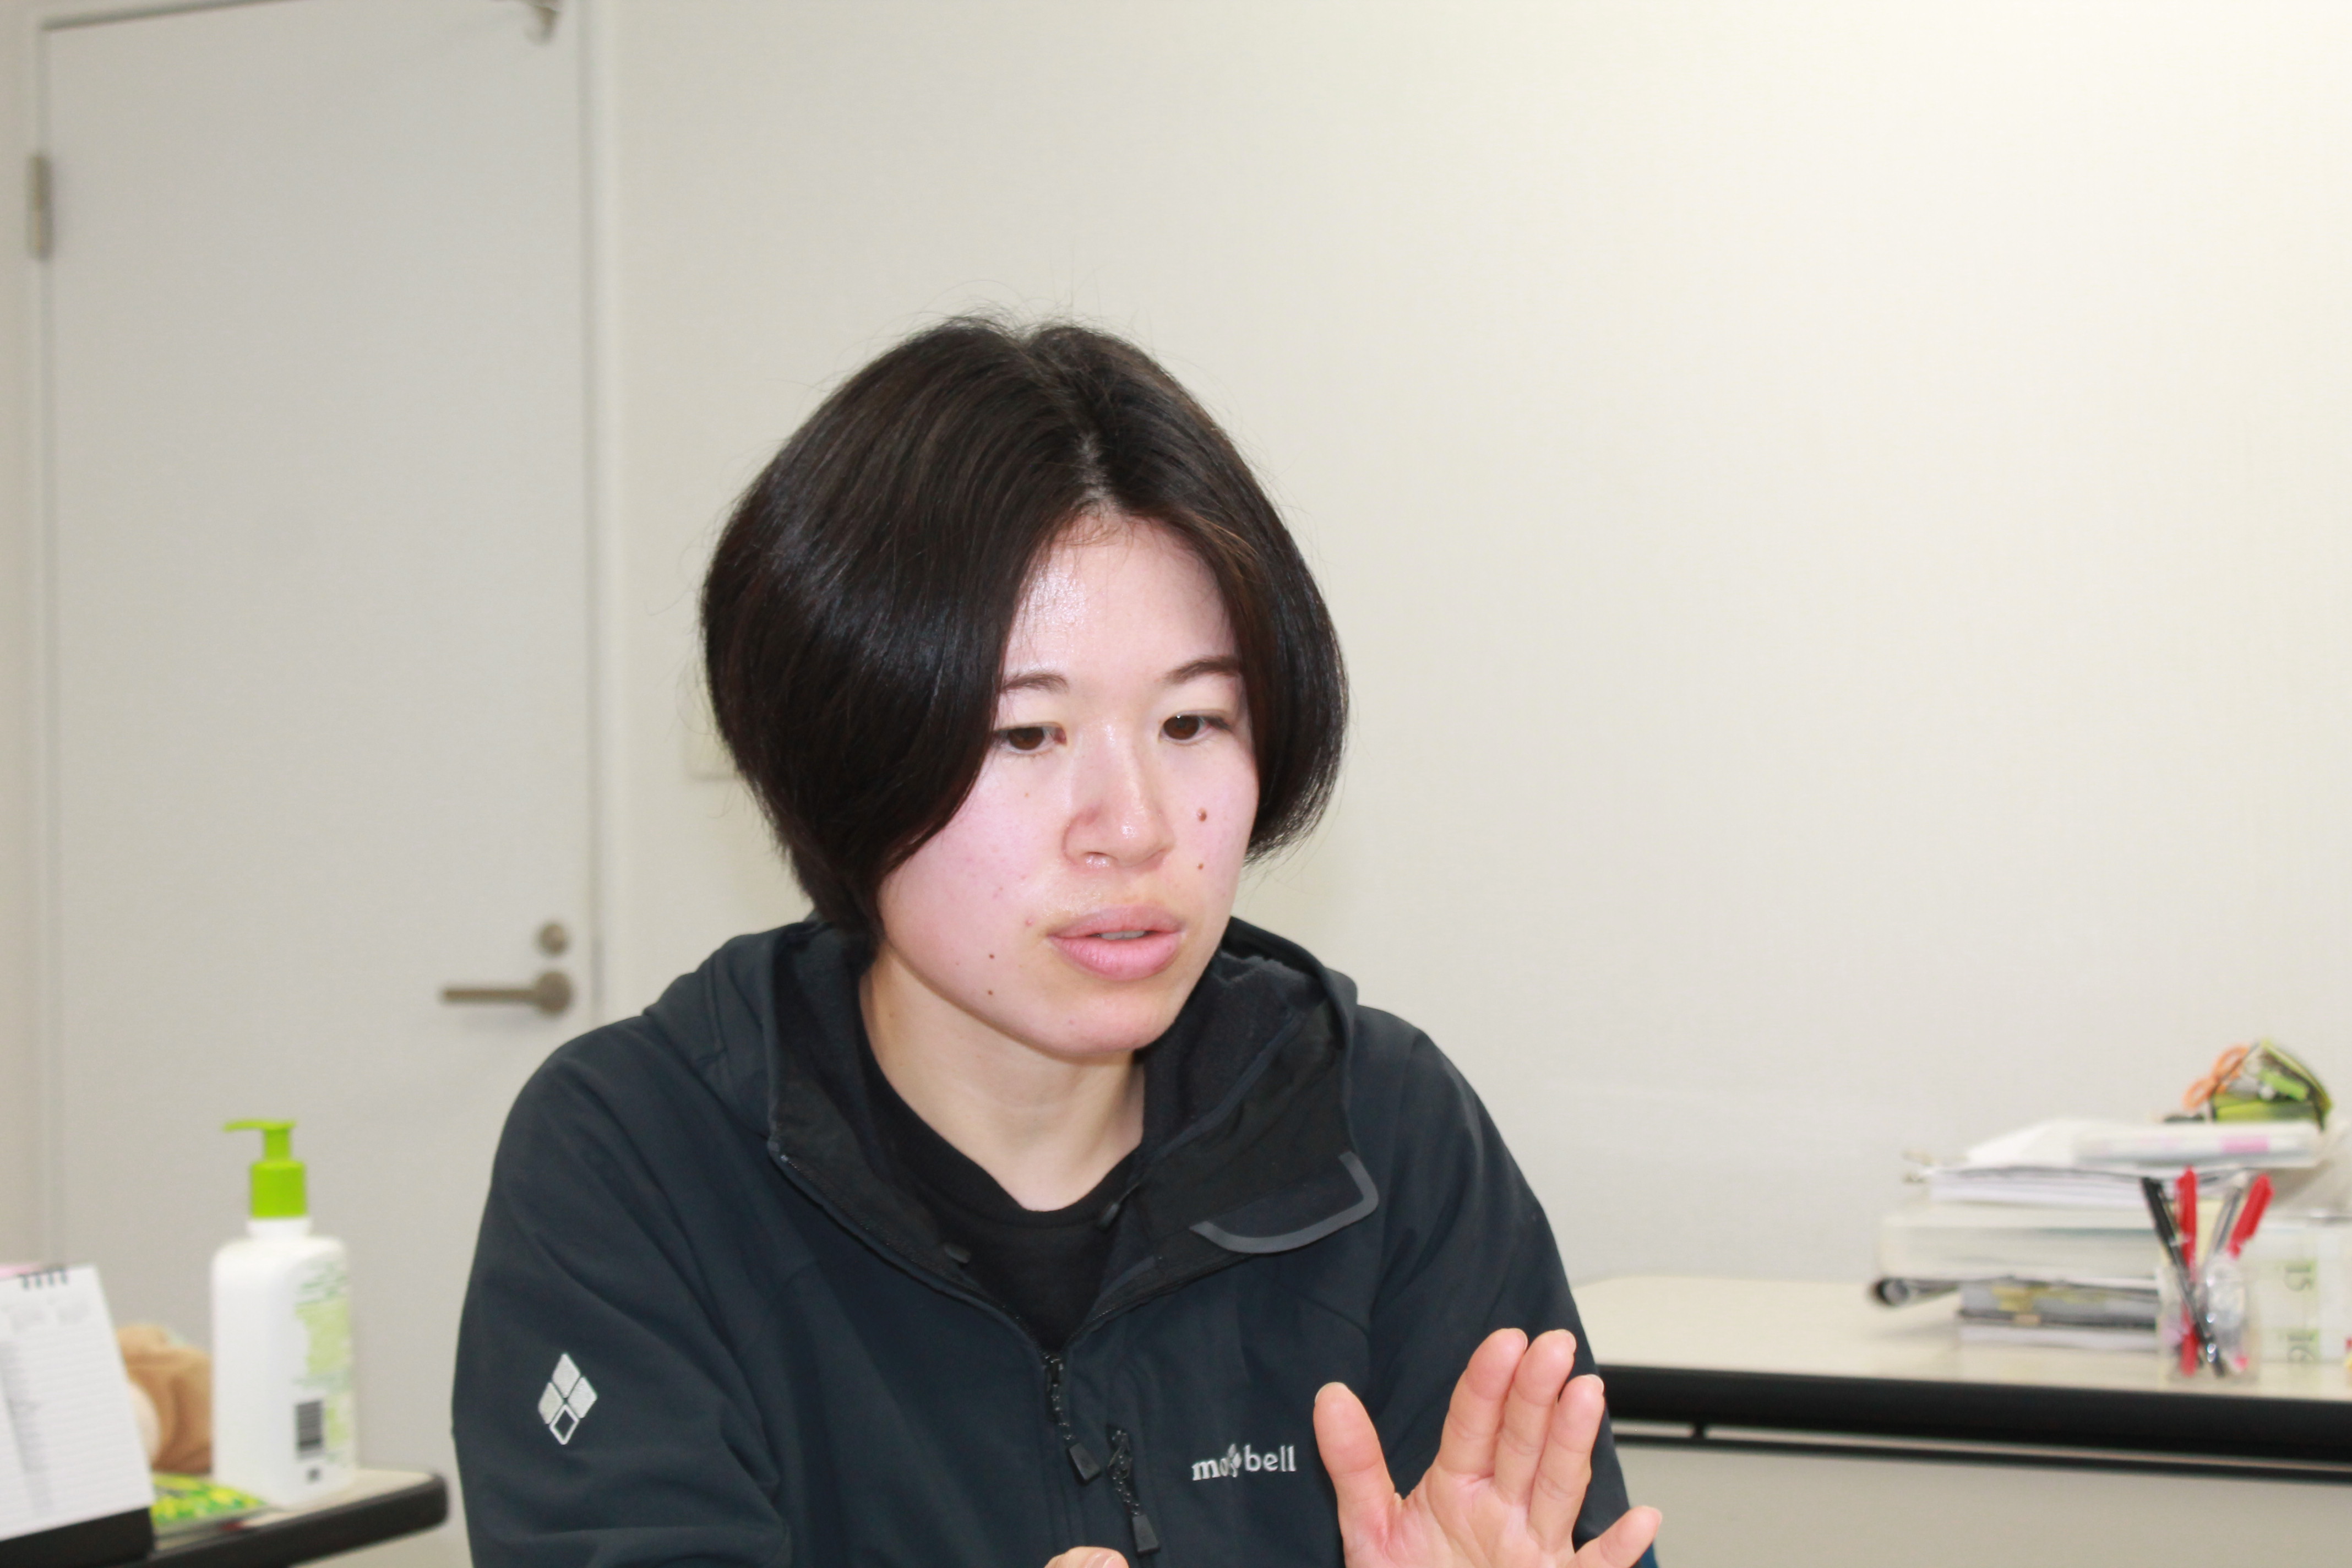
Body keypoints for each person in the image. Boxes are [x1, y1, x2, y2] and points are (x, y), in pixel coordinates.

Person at [453, 319, 1662, 1568]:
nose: (1134, 827)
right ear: (842, 750)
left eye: (1192, 722)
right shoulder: (638, 1155)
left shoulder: (1382, 1128)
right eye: (1025, 735)